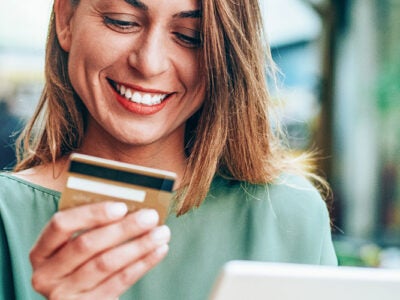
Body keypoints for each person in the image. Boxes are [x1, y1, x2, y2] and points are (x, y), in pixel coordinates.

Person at [0, 0, 337, 299]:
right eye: (122, 21)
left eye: (191, 36)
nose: (149, 63)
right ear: (65, 20)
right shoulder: (6, 217)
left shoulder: (290, 217)